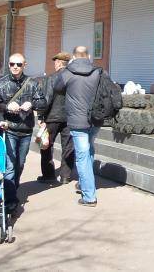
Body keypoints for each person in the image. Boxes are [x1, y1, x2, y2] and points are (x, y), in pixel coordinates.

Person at [52, 46, 102, 207]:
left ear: (73, 57)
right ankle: (83, 183)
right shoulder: (98, 71)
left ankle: (89, 196)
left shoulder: (68, 72)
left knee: (82, 155)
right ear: (89, 56)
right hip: (95, 119)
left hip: (76, 120)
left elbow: (57, 88)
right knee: (89, 150)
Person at [0, 53, 39, 212]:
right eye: (12, 64)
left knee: (20, 163)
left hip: (26, 129)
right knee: (10, 165)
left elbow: (43, 102)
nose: (15, 67)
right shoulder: (0, 84)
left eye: (19, 64)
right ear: (9, 65)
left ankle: (11, 189)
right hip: (9, 128)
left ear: (24, 65)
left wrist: (32, 104)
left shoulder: (32, 83)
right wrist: (6, 107)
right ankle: (10, 201)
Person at [34, 52, 75, 185]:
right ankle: (65, 176)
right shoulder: (74, 78)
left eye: (55, 62)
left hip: (52, 116)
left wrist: (40, 116)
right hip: (70, 117)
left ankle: (48, 175)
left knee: (46, 145)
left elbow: (46, 98)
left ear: (58, 63)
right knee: (68, 147)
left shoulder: (51, 78)